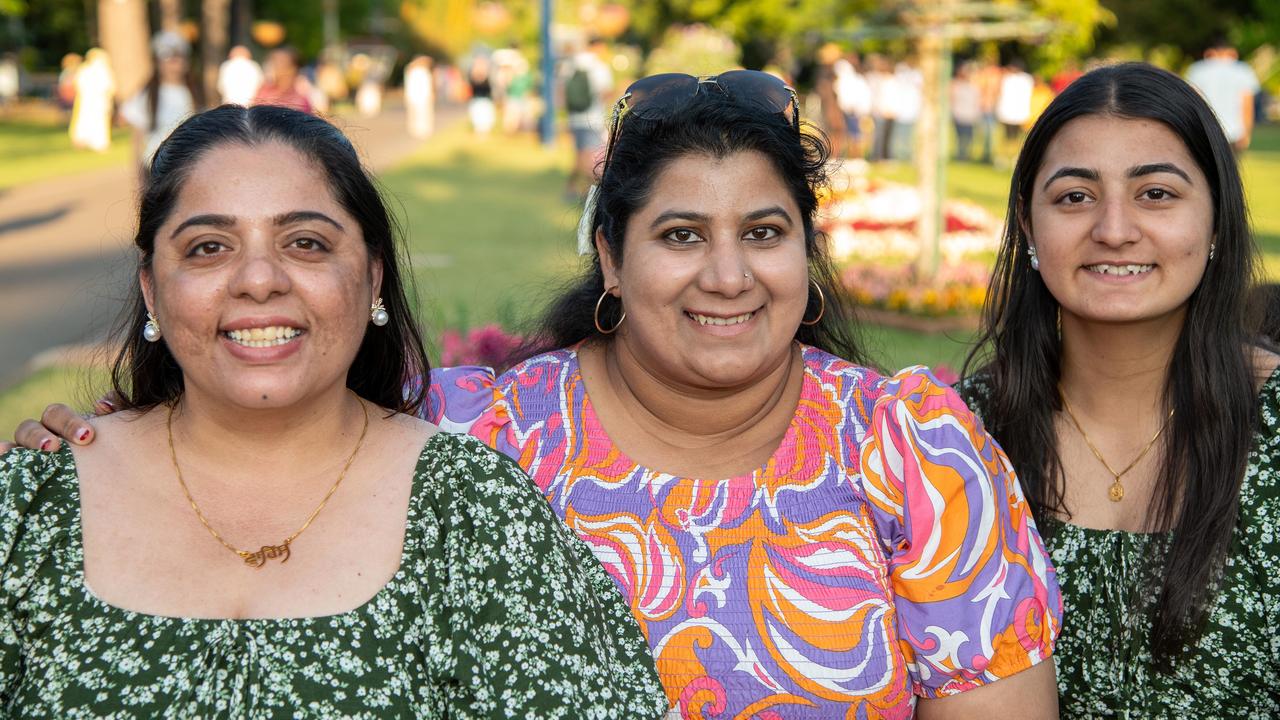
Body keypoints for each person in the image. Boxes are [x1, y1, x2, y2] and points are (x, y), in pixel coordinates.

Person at [13, 73, 1064, 718]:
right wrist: (104, 444)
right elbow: (275, 399)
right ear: (609, 257)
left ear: (806, 254)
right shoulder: (480, 431)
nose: (727, 276)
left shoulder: (907, 446)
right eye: (679, 236)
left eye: (763, 233)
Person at [0, 104, 667, 717]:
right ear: (151, 288)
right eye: (209, 247)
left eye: (306, 243)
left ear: (373, 277)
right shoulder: (32, 508)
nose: (259, 279)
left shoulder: (471, 513)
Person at [957, 62, 1280, 715]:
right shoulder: (954, 439)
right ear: (1027, 227)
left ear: (1216, 219)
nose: (1113, 229)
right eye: (1075, 196)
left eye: (1156, 193)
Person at [119, 31, 196, 180]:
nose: (174, 63)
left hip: (189, 167)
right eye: (167, 58)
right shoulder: (146, 96)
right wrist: (140, 179)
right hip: (158, 170)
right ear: (157, 62)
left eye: (178, 57)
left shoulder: (196, 92)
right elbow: (137, 142)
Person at [1186, 36, 1261, 152]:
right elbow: (1246, 104)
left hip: (1205, 129)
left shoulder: (1197, 70)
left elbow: (1193, 101)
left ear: (1209, 53)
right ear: (1233, 53)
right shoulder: (1243, 71)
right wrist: (1246, 132)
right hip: (1234, 131)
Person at [563, 39, 613, 201]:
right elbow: (605, 92)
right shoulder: (599, 67)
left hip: (575, 117)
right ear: (599, 46)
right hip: (592, 118)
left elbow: (563, 90)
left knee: (580, 155)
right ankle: (590, 193)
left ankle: (571, 189)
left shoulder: (572, 64)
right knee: (588, 158)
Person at [68, 48, 115, 153]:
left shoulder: (86, 69)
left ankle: (94, 142)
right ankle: (93, 142)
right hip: (95, 100)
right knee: (93, 120)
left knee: (91, 119)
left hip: (92, 100)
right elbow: (110, 87)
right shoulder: (101, 70)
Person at [253, 47, 313, 114]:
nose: (277, 68)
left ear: (294, 69)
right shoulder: (264, 93)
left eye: (283, 63)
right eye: (275, 63)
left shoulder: (300, 101)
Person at [951, 61, 982, 161]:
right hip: (959, 114)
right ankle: (960, 155)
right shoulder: (956, 85)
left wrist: (976, 114)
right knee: (960, 138)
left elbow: (976, 102)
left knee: (968, 138)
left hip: (969, 116)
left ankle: (965, 155)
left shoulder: (973, 87)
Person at [404, 55, 436, 139]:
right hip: (421, 95)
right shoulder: (423, 72)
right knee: (422, 113)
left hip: (417, 95)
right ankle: (421, 130)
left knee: (418, 112)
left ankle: (419, 129)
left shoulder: (412, 71)